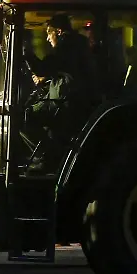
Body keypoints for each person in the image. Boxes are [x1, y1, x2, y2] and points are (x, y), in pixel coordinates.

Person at [23, 13, 98, 172]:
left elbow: (43, 68)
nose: (48, 39)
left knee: (23, 117)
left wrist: (25, 52)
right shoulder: (76, 45)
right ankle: (50, 155)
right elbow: (67, 71)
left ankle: (46, 157)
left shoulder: (67, 45)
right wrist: (47, 79)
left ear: (58, 31)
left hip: (67, 104)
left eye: (49, 33)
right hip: (71, 100)